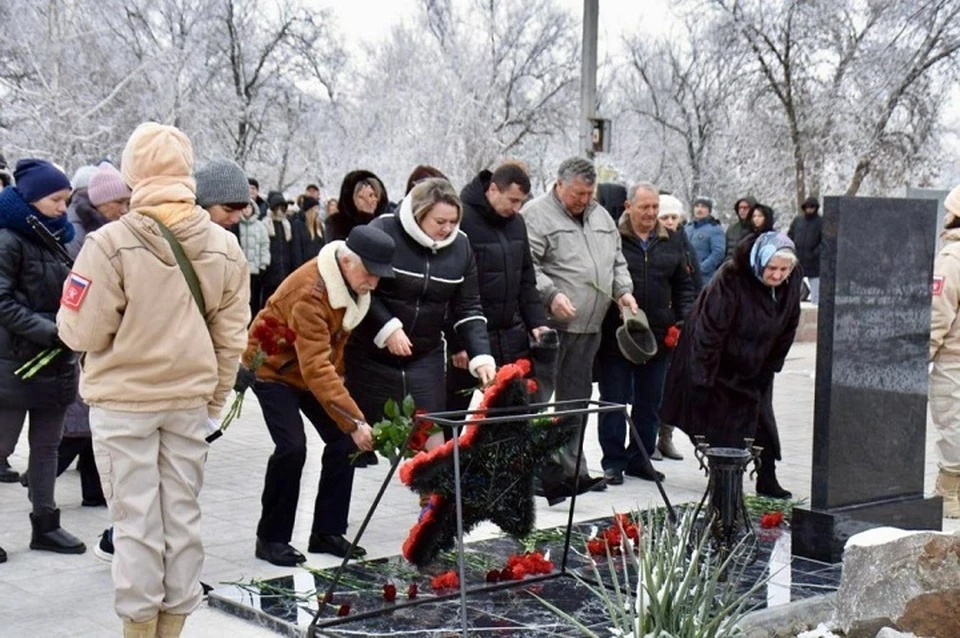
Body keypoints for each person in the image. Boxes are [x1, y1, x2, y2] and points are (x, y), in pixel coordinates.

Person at [57, 122, 250, 637]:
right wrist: (214, 400)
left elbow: (81, 332)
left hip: (124, 404)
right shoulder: (225, 246)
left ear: (132, 174)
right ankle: (175, 627)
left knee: (136, 523)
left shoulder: (109, 243)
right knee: (182, 518)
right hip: (189, 401)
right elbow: (232, 337)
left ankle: (140, 631)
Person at [250, 226, 393, 566]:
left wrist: (349, 421)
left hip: (308, 371)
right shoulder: (310, 294)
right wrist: (355, 420)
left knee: (344, 443)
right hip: (273, 368)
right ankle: (270, 538)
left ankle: (326, 532)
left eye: (379, 276)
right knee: (292, 447)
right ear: (347, 261)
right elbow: (315, 366)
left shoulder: (350, 284)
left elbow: (332, 351)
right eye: (370, 274)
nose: (374, 283)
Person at [524, 157, 637, 502]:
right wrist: (552, 294)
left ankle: (572, 470)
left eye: (590, 193)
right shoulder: (536, 215)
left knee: (574, 402)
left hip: (590, 326)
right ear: (559, 184)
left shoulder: (602, 216)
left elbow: (616, 260)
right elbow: (528, 265)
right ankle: (531, 472)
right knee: (537, 400)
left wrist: (624, 291)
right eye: (577, 193)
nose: (584, 200)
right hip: (551, 326)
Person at [345, 178, 496, 435]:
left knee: (431, 433)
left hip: (425, 354)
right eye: (440, 222)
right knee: (355, 435)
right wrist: (388, 327)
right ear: (419, 214)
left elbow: (469, 307)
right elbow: (359, 287)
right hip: (370, 353)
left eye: (453, 221)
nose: (448, 229)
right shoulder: (384, 229)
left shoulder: (461, 246)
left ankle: (429, 475)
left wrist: (481, 355)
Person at [661, 231, 802, 499]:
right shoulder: (731, 279)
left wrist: (771, 365)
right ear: (759, 261)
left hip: (757, 361)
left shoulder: (791, 279)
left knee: (762, 420)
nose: (777, 275)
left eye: (784, 269)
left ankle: (767, 477)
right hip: (719, 360)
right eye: (772, 268)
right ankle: (725, 481)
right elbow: (709, 332)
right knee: (723, 425)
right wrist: (702, 379)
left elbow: (789, 324)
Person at [0, 159, 85, 559]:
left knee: (47, 446)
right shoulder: (8, 237)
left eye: (66, 199)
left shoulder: (61, 238)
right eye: (55, 199)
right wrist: (51, 331)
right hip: (13, 361)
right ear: (32, 199)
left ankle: (46, 524)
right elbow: (2, 302)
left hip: (56, 359)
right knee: (2, 446)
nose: (62, 208)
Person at [596, 183, 695, 485]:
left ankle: (640, 458)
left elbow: (684, 285)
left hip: (658, 336)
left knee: (650, 401)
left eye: (655, 208)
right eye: (645, 207)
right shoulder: (613, 238)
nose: (651, 214)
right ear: (629, 207)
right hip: (619, 333)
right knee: (613, 399)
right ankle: (613, 461)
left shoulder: (673, 240)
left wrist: (683, 320)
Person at [445, 164, 550, 414]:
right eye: (512, 200)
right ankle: (449, 455)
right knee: (453, 413)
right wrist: (456, 342)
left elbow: (526, 278)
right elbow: (448, 286)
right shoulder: (461, 219)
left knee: (513, 413)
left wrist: (536, 321)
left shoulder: (516, 223)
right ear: (493, 189)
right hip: (470, 335)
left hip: (511, 335)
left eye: (521, 202)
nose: (516, 208)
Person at [928, 185, 960, 518]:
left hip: (953, 358)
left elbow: (938, 312)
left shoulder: (952, 258)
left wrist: (923, 353)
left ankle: (949, 496)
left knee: (952, 422)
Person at [261, 190, 303, 306]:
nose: (279, 211)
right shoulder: (265, 224)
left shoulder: (287, 225)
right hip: (269, 273)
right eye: (277, 208)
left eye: (282, 208)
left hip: (285, 270)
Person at [325, 170, 389, 241]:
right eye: (361, 197)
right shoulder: (338, 225)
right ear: (352, 200)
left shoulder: (387, 222)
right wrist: (365, 217)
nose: (371, 201)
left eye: (374, 195)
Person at [195, 158, 249, 230]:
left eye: (241, 210)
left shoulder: (230, 235)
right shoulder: (179, 235)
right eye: (228, 210)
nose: (235, 219)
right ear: (203, 204)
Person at [788, 196, 823, 304]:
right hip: (797, 260)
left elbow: (825, 241)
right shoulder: (798, 220)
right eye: (807, 207)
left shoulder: (821, 222)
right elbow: (790, 235)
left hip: (814, 263)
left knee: (816, 295)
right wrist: (791, 249)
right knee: (792, 291)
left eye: (812, 207)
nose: (809, 209)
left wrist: (815, 253)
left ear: (816, 208)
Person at [684, 196, 725, 284]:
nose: (699, 209)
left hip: (705, 279)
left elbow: (718, 253)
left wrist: (700, 268)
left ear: (709, 211)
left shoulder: (715, 229)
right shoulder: (687, 228)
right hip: (685, 277)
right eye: (697, 206)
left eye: (703, 207)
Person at [294, 196, 325, 266]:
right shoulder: (298, 224)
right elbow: (297, 249)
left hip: (319, 264)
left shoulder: (319, 226)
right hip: (305, 265)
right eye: (315, 209)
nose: (317, 212)